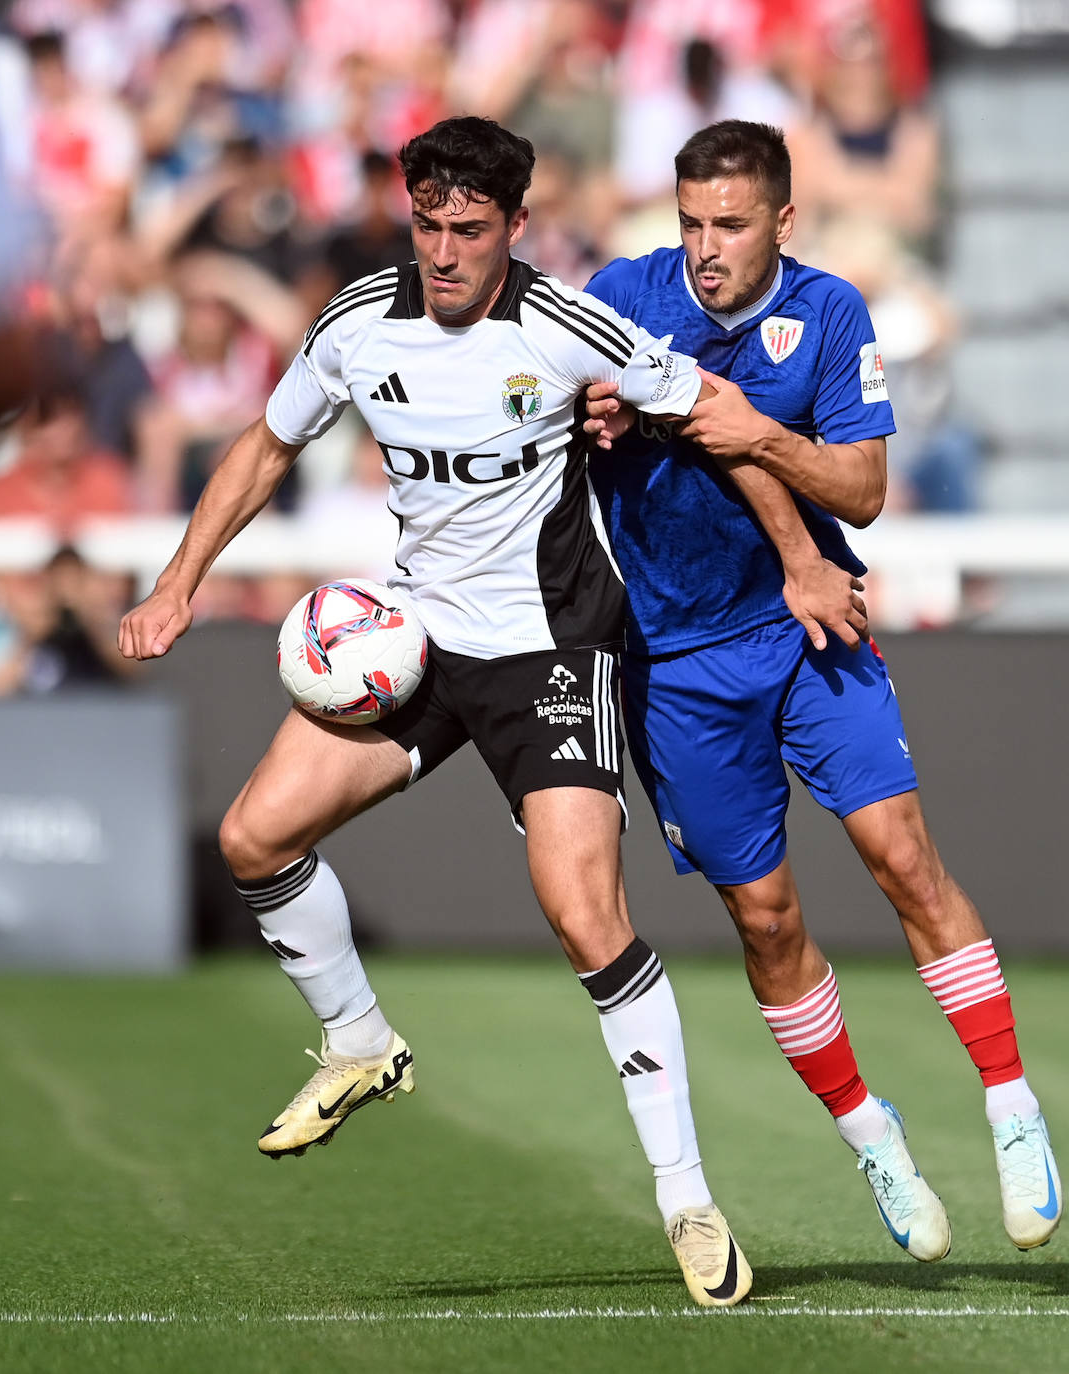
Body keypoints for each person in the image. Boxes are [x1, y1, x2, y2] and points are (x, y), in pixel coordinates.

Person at [115, 115, 813, 1308]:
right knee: (253, 839)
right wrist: (178, 582)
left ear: (514, 229)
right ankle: (359, 1044)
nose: (444, 253)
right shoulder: (355, 323)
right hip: (418, 641)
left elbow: (715, 416)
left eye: (469, 231)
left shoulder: (567, 327)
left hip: (552, 647)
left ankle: (688, 1198)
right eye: (428, 227)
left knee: (584, 917)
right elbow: (265, 444)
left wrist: (799, 555)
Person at [583, 119, 1062, 1257]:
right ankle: (872, 1136)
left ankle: (1009, 1103)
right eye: (692, 222)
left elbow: (864, 488)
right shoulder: (620, 294)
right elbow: (556, 402)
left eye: (732, 225)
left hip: (811, 629)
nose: (706, 248)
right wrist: (584, 410)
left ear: (782, 223)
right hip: (676, 666)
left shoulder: (832, 312)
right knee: (766, 915)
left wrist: (764, 436)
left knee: (903, 856)